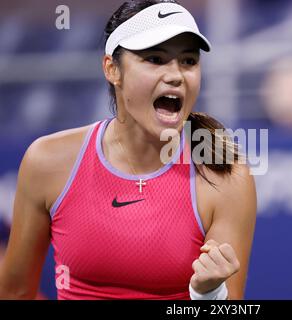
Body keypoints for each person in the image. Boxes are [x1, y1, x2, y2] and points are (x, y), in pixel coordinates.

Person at [0, 0, 256, 300]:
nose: (176, 74)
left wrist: (208, 295)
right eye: (155, 59)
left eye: (188, 61)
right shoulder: (46, 161)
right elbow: (14, 293)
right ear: (112, 69)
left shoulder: (226, 175)